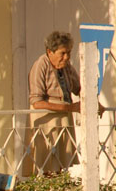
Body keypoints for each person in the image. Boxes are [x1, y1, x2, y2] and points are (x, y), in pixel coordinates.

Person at [27, 31, 104, 173]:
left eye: (68, 53)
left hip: (64, 120)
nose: (66, 57)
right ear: (50, 52)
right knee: (45, 166)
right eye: (62, 53)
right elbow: (36, 102)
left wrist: (94, 103)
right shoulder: (40, 65)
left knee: (60, 166)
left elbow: (80, 88)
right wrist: (69, 107)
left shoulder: (67, 67)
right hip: (46, 122)